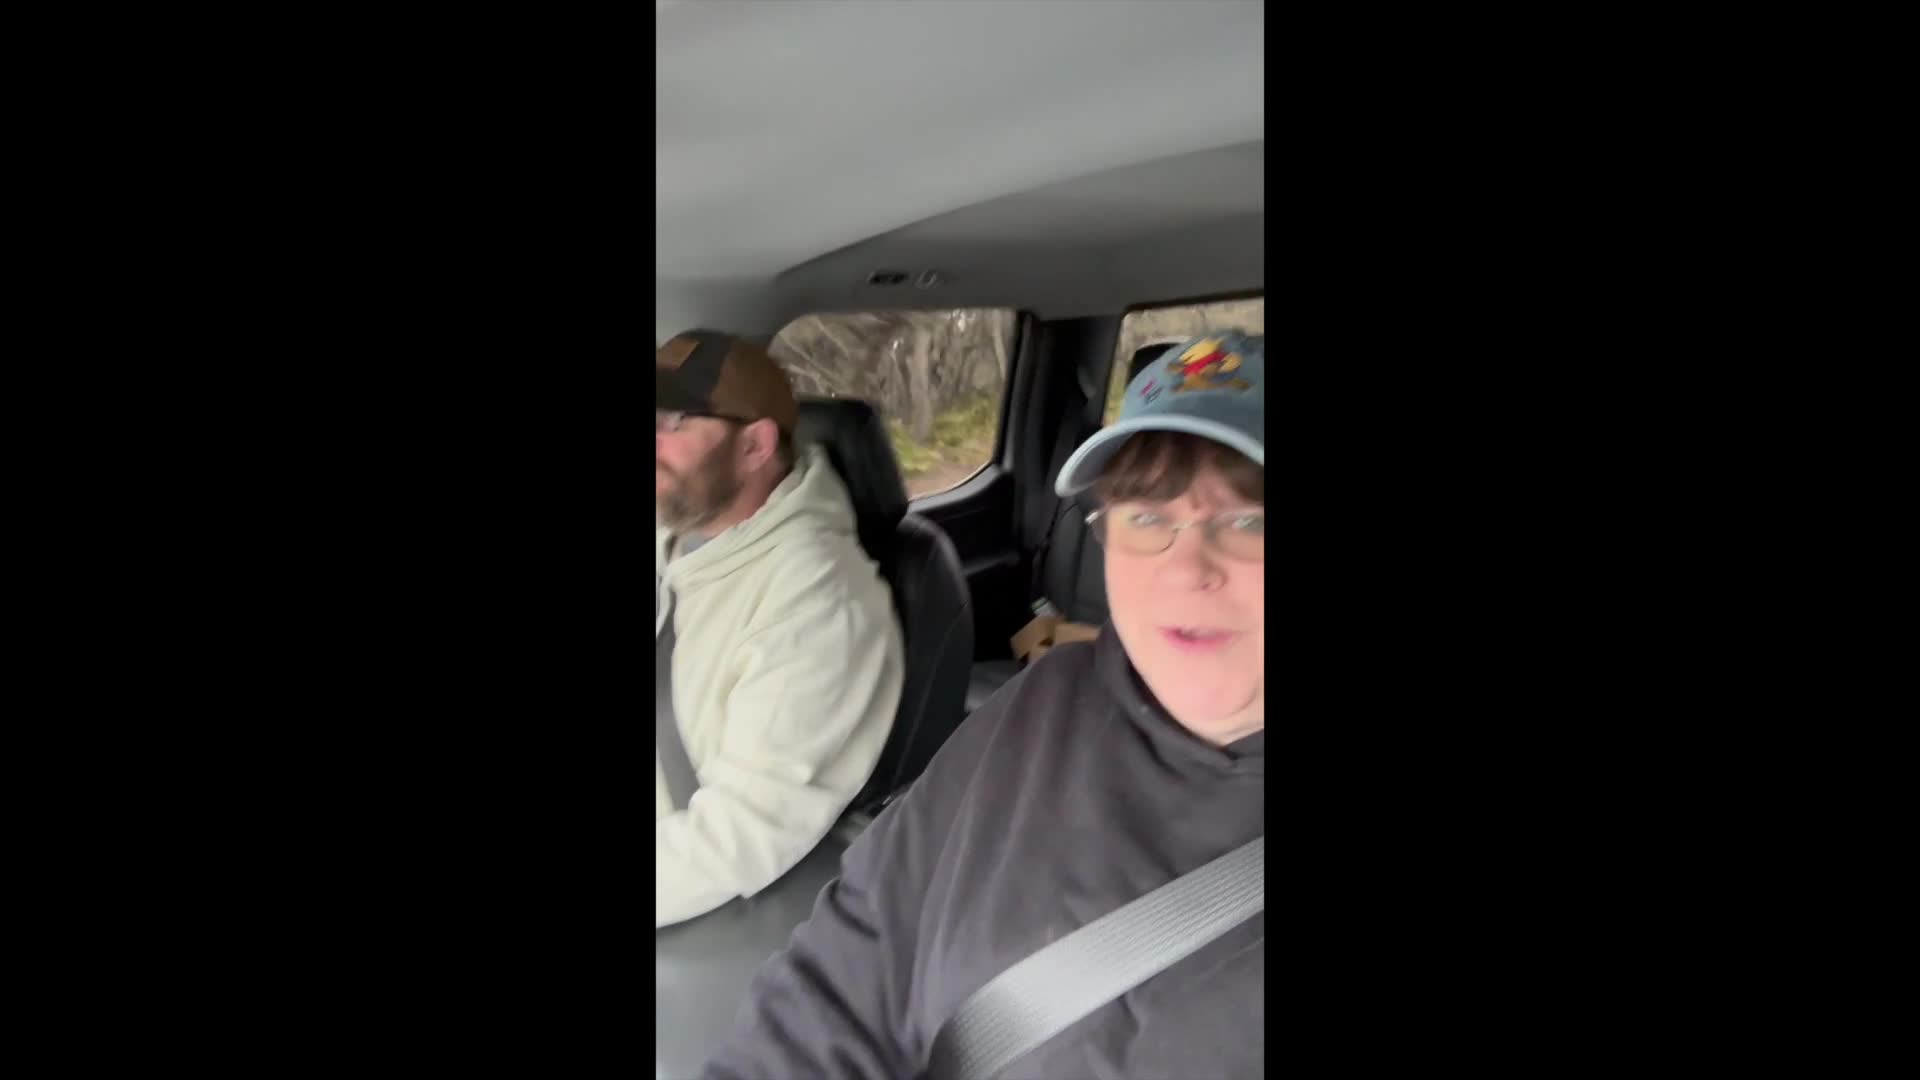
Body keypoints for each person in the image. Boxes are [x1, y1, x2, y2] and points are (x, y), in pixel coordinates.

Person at [702, 331, 1266, 1078]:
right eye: (1147, 517)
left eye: (1251, 521)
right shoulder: (1047, 700)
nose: (1186, 568)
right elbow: (847, 965)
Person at [656, 329, 905, 929]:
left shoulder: (819, 602)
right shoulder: (682, 528)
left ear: (755, 446)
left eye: (671, 423)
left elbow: (738, 833)